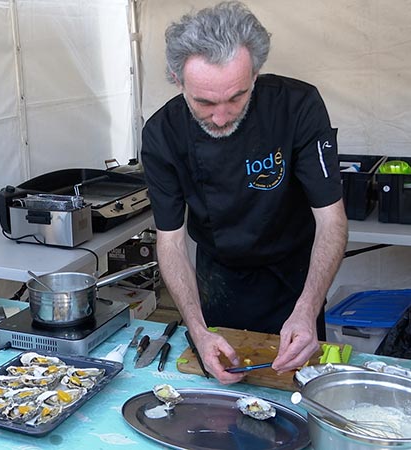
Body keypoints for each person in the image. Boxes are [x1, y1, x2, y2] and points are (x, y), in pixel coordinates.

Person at [140, 1, 348, 384]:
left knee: (297, 389)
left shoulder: (298, 107)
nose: (221, 117)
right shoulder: (162, 135)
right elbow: (171, 241)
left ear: (255, 74)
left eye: (237, 97)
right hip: (218, 282)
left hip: (294, 278)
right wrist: (197, 330)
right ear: (176, 79)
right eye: (204, 102)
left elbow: (331, 219)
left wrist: (308, 308)